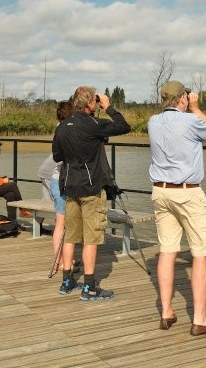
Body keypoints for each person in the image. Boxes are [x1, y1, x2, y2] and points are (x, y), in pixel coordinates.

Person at [148, 81, 206, 336]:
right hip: (187, 192)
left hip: (160, 191)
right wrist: (196, 108)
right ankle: (200, 319)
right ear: (183, 97)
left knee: (167, 250)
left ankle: (167, 312)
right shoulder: (191, 120)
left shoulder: (153, 122)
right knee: (201, 252)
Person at [52, 87, 131, 300]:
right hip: (91, 188)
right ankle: (89, 286)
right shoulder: (93, 124)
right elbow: (124, 127)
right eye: (95, 101)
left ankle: (67, 281)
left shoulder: (62, 127)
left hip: (70, 187)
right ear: (89, 104)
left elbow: (58, 156)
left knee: (71, 235)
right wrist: (109, 107)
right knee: (91, 237)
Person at [38, 101, 73, 270]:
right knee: (65, 223)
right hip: (62, 179)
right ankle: (65, 262)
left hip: (54, 176)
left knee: (60, 222)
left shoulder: (59, 129)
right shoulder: (69, 129)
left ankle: (60, 260)